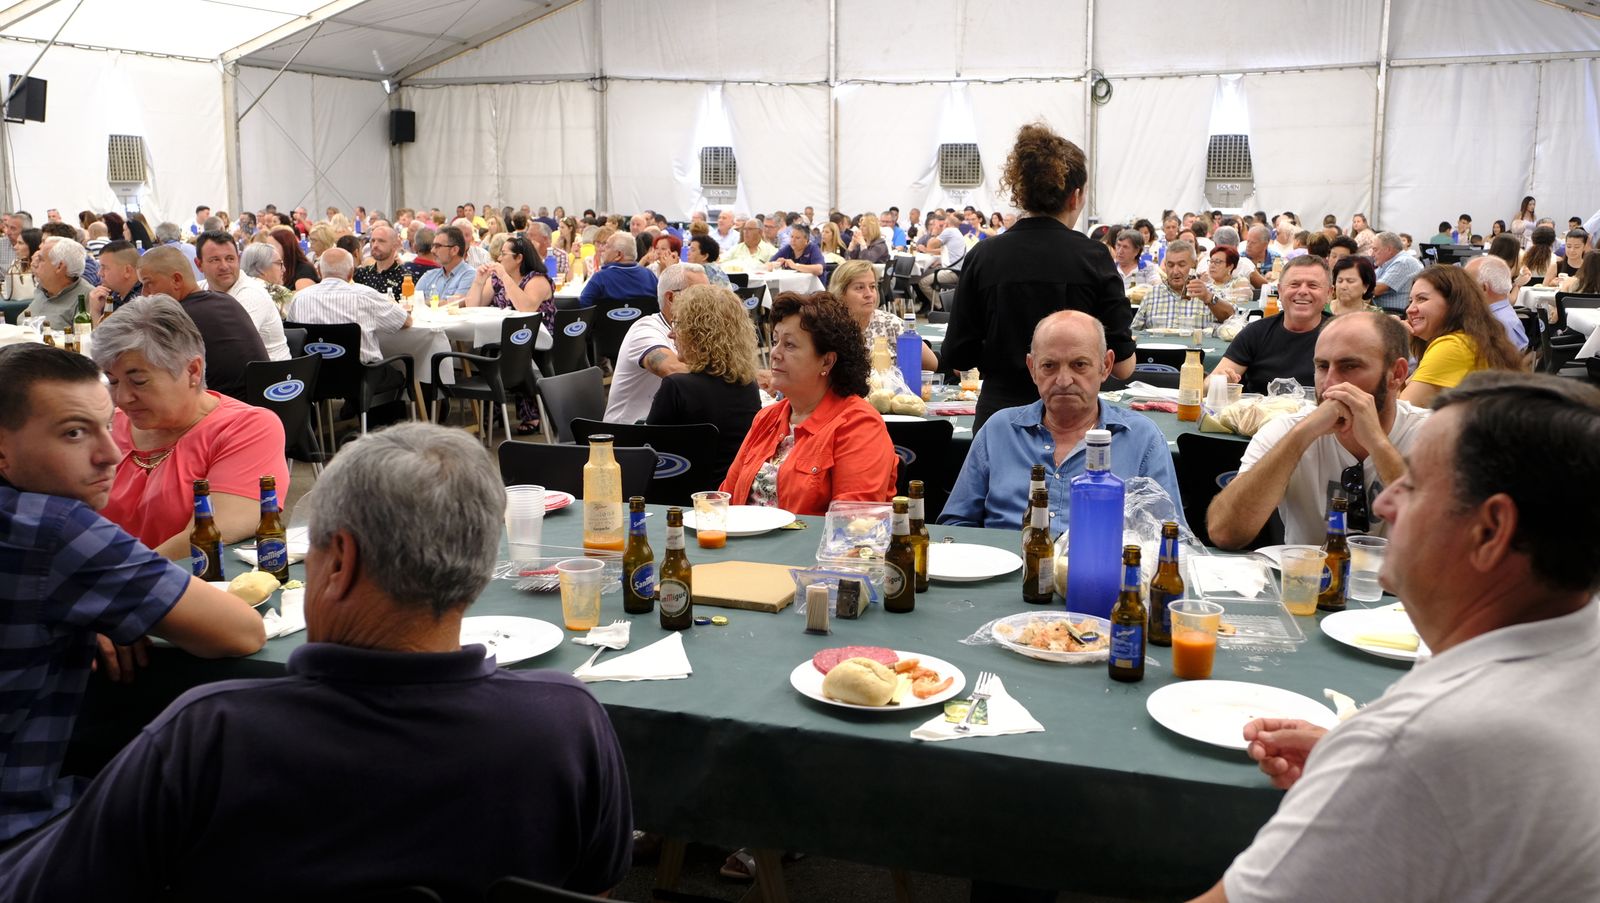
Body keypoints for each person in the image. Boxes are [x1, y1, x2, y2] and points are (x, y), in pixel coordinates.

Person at [0, 421, 634, 896]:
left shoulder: (207, 733)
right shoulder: (568, 723)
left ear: (339, 562)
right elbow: (595, 890)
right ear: (476, 570)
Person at [1192, 373, 1600, 903]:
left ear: (1491, 530)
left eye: (1413, 485)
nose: (1384, 505)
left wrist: (1372, 767)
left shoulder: (1419, 742)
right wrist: (1350, 761)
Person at [0, 343, 265, 845]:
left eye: (108, 424)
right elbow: (240, 631)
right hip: (22, 833)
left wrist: (93, 607)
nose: (111, 453)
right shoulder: (55, 530)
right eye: (74, 433)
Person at [942, 123, 1136, 431]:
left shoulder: (984, 255)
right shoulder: (1093, 258)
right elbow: (1123, 367)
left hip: (999, 419)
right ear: (1076, 197)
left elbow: (958, 356)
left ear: (1023, 194)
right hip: (1071, 419)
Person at [942, 311, 1183, 532]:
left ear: (1106, 366)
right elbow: (955, 525)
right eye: (1049, 366)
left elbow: (1170, 535)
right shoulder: (998, 431)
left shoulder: (1142, 439)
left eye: (1079, 365)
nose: (1064, 380)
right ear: (1032, 368)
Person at [86, 296, 288, 559]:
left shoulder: (245, 429)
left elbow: (212, 531)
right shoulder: (109, 425)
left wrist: (117, 580)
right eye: (112, 382)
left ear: (192, 371)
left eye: (138, 381)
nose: (122, 398)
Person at [1208, 311, 1424, 549]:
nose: (1330, 382)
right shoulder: (1288, 429)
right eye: (1322, 366)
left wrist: (1377, 443)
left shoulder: (1430, 433)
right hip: (1307, 582)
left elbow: (1440, 537)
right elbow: (1225, 533)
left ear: (1397, 374)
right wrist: (1301, 437)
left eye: (1350, 366)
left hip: (1397, 585)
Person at [720, 292, 896, 514]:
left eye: (790, 345)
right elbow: (727, 500)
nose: (775, 353)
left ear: (827, 360)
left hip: (809, 548)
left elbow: (853, 523)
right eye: (775, 341)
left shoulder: (858, 425)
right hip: (746, 546)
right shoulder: (767, 418)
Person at [646, 284, 762, 483]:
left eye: (679, 324)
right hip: (733, 495)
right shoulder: (748, 385)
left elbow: (649, 456)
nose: (671, 334)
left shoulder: (677, 387)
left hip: (678, 499)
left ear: (698, 334)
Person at [133, 247, 269, 400]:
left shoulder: (176, 318)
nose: (144, 293)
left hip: (225, 412)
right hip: (266, 403)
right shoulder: (226, 300)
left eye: (148, 283)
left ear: (176, 280)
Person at [1400, 264, 1526, 406]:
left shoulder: (1453, 346)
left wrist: (1391, 347)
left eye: (1422, 299)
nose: (1410, 309)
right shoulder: (1472, 337)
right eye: (1411, 301)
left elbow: (1398, 418)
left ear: (1454, 303)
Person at [603, 263, 708, 425]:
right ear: (671, 298)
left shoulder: (696, 331)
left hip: (665, 429)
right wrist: (733, 378)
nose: (708, 302)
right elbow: (672, 370)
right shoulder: (645, 330)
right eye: (698, 295)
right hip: (629, 436)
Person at [1213, 255, 1332, 395]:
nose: (1303, 291)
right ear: (1280, 291)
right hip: (1260, 414)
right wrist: (1221, 380)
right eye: (1294, 284)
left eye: (1313, 285)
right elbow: (1210, 384)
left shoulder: (1341, 335)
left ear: (1329, 293)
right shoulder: (1256, 333)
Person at [285, 248, 412, 366]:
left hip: (313, 379)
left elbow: (293, 337)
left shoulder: (299, 298)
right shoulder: (366, 295)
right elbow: (406, 321)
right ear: (351, 273)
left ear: (318, 271)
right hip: (362, 379)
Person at [195, 230, 289, 363]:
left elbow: (228, 346)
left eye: (230, 258)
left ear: (238, 259)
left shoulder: (251, 293)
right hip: (235, 372)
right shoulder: (200, 288)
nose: (224, 266)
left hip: (271, 378)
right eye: (215, 260)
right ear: (199, 265)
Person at [831, 259, 937, 372]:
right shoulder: (830, 327)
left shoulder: (890, 323)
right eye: (859, 288)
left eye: (872, 287)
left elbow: (931, 364)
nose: (869, 294)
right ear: (840, 293)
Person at [1131, 240, 1235, 330]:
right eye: (1170, 265)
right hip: (1158, 351)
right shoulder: (1152, 295)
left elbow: (1232, 320)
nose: (1175, 271)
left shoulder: (1211, 292)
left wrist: (1209, 298)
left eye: (1181, 265)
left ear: (1194, 264)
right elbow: (1135, 331)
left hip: (1197, 352)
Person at [466, 232, 553, 316]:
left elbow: (526, 309)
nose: (499, 258)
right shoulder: (497, 279)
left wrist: (504, 276)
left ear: (519, 258)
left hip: (531, 330)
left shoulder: (537, 280)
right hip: (499, 329)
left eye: (503, 254)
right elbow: (472, 308)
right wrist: (478, 282)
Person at [24, 237, 96, 329]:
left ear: (59, 266)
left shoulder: (87, 297)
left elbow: (83, 340)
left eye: (41, 259)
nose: (34, 264)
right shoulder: (44, 289)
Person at [1463, 255, 1528, 352]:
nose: (1462, 288)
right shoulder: (1499, 315)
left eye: (1467, 283)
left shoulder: (1495, 325)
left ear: (1484, 288)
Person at [579, 232, 658, 309]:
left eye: (607, 246)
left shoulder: (600, 278)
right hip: (642, 321)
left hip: (605, 321)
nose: (603, 249)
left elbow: (584, 306)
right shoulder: (650, 276)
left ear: (618, 255)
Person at [915, 212, 966, 309]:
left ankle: (942, 306)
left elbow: (930, 245)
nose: (936, 227)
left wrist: (934, 233)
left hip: (952, 272)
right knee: (926, 274)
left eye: (938, 225)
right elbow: (944, 250)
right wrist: (939, 261)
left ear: (946, 224)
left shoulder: (949, 232)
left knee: (923, 282)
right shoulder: (956, 232)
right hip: (958, 271)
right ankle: (931, 306)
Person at [414, 226, 476, 302]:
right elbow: (413, 302)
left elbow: (453, 305)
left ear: (454, 250)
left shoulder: (469, 275)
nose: (432, 250)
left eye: (438, 246)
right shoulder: (429, 275)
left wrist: (424, 304)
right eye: (433, 246)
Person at [1369, 231, 1423, 314]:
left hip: (1393, 313)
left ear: (1389, 249)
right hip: (1383, 310)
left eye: (1375, 249)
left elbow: (1375, 289)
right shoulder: (1387, 262)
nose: (1372, 254)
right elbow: (1370, 282)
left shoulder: (1403, 262)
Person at [88, 240, 142, 322]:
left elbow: (105, 334)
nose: (99, 273)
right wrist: (96, 310)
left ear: (127, 270)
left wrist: (95, 313)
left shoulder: (143, 300)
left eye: (105, 267)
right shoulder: (110, 294)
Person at [352, 224, 408, 300]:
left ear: (394, 246)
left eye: (381, 241)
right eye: (372, 241)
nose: (375, 245)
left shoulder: (405, 278)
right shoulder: (361, 274)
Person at [240, 241, 294, 316]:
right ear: (260, 268)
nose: (284, 269)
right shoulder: (277, 292)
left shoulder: (237, 287)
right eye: (279, 263)